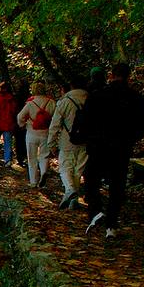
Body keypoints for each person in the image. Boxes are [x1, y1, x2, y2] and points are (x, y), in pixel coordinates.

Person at [79, 63, 144, 239]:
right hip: (121, 148)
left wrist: (89, 138)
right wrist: (131, 139)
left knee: (90, 178)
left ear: (111, 75)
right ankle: (112, 224)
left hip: (98, 147)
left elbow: (85, 121)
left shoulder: (97, 96)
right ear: (128, 76)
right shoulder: (136, 98)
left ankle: (95, 210)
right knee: (117, 186)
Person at [47, 74, 88, 208]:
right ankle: (73, 201)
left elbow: (55, 124)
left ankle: (70, 190)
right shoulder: (91, 99)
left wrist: (51, 143)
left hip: (67, 140)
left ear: (71, 86)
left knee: (65, 168)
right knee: (78, 170)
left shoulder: (65, 101)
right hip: (86, 140)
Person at [18, 81, 56, 186]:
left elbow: (20, 116)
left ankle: (33, 181)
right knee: (44, 155)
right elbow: (56, 118)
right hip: (46, 133)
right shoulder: (51, 103)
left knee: (32, 158)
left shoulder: (30, 103)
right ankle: (43, 172)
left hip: (31, 132)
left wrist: (23, 124)